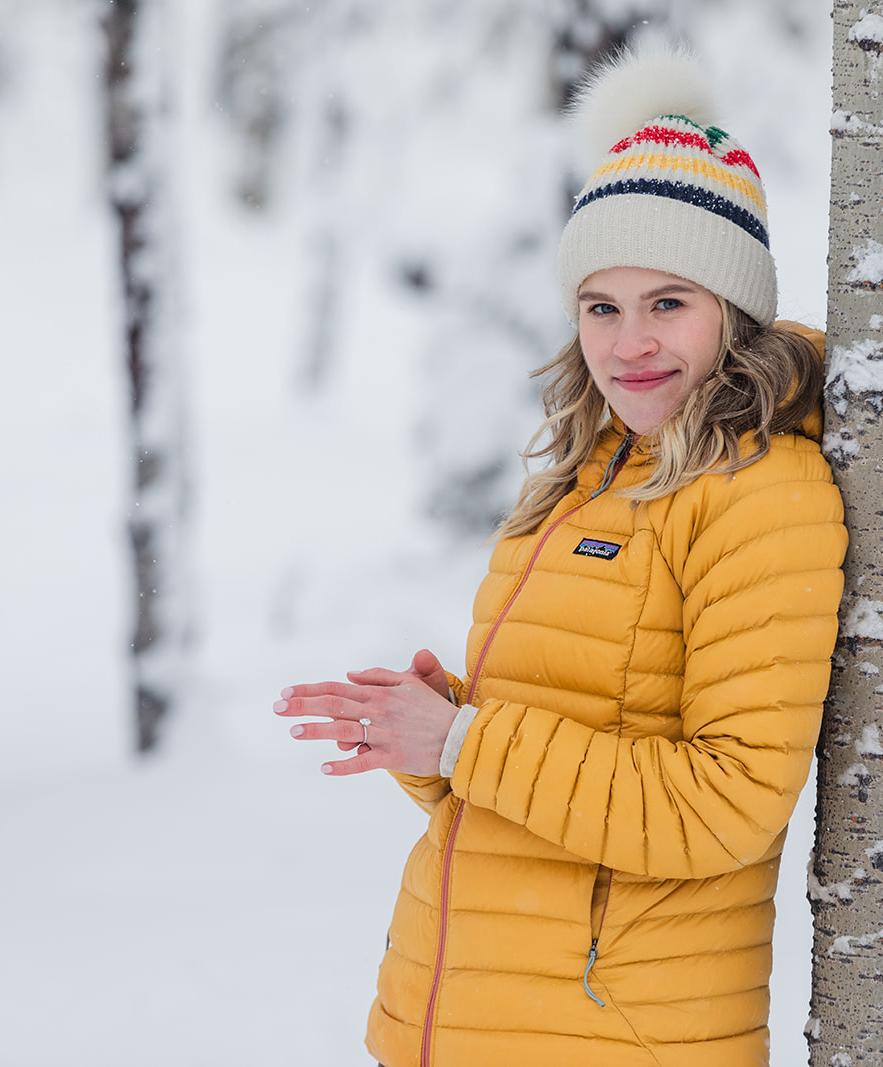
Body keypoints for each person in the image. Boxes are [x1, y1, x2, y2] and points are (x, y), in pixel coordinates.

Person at [273, 44, 847, 1067]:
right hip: (474, 1021)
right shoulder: (583, 478)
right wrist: (434, 741)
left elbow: (722, 808)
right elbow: (552, 777)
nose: (628, 343)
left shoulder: (764, 495)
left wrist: (465, 741)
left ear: (734, 307)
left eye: (668, 301)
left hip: (613, 1035)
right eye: (601, 305)